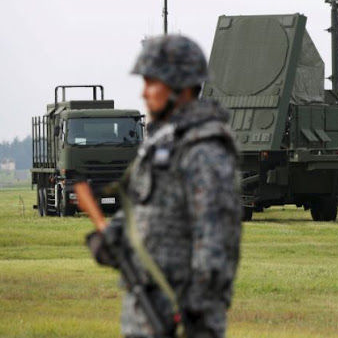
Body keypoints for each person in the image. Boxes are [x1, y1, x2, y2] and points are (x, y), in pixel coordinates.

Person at [87, 34, 242, 338]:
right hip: (145, 313)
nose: (144, 94)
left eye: (152, 83)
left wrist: (195, 316)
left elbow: (216, 242)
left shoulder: (203, 150)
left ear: (180, 88)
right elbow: (146, 209)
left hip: (181, 321)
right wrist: (115, 236)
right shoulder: (162, 144)